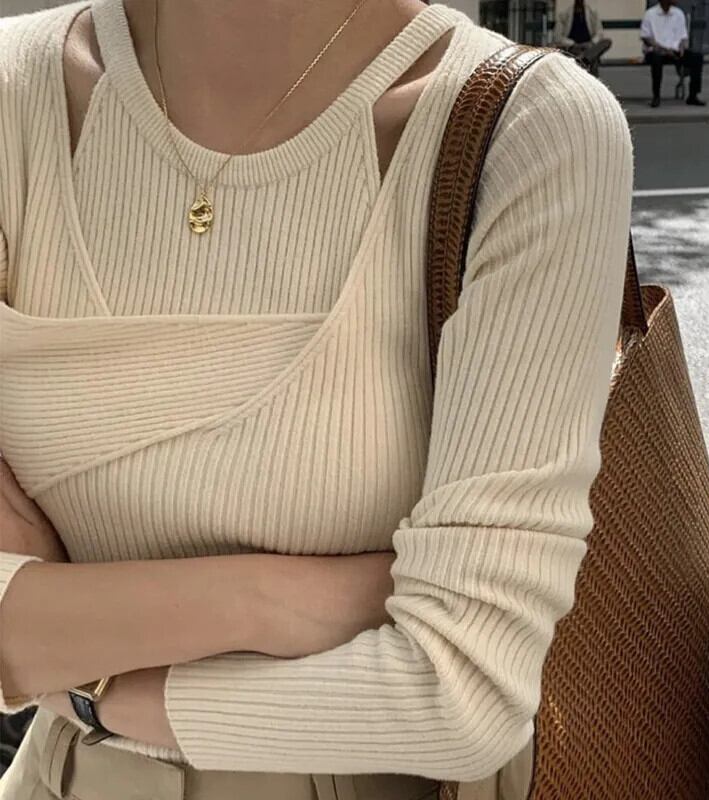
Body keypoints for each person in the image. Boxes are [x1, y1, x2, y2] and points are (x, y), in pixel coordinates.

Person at [0, 0, 633, 798]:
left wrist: (80, 673)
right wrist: (274, 600)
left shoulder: (528, 129)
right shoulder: (16, 94)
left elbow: (461, 695)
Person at [640, 0, 705, 107]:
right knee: (656, 59)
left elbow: (683, 37)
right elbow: (646, 38)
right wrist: (663, 49)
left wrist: (682, 47)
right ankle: (656, 96)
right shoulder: (650, 14)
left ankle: (693, 96)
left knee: (697, 57)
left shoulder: (678, 13)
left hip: (674, 50)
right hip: (656, 50)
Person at [553, 0, 612, 76]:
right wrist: (573, 44)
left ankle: (583, 58)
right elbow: (557, 36)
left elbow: (599, 32)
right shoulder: (564, 14)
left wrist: (591, 43)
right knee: (593, 59)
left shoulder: (592, 12)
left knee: (607, 42)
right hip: (573, 47)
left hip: (589, 46)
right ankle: (586, 59)